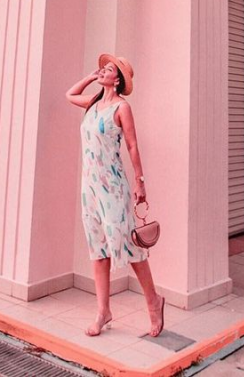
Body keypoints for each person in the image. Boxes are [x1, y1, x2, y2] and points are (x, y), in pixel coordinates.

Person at [66, 54, 165, 338]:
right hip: (90, 187)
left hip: (113, 186)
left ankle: (153, 301)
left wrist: (140, 182)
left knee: (128, 246)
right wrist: (90, 77)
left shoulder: (122, 107)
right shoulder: (94, 103)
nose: (102, 71)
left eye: (107, 70)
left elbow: (133, 146)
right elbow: (70, 94)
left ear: (118, 79)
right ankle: (103, 312)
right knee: (97, 249)